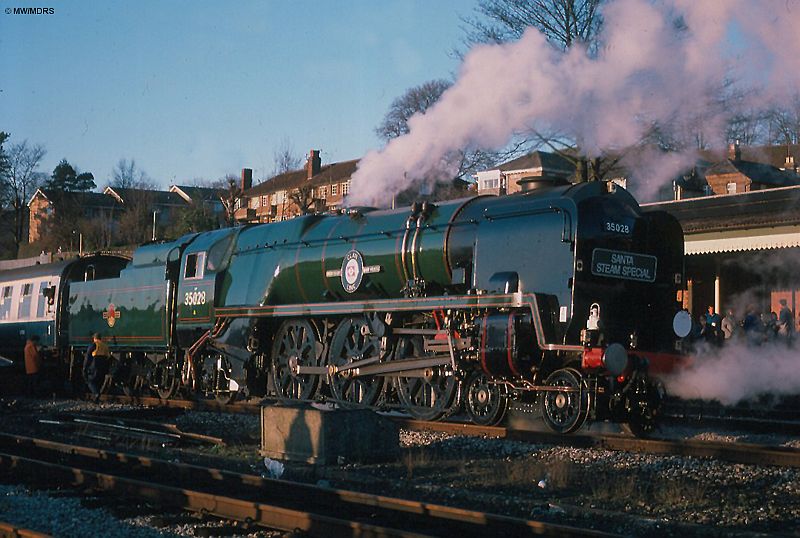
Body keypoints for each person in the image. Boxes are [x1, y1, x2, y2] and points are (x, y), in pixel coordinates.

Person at [83, 333, 110, 402]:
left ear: (94, 338)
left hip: (94, 365)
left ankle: (96, 394)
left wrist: (84, 368)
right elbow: (108, 357)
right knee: (99, 381)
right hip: (103, 365)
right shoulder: (105, 346)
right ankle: (96, 397)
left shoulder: (93, 345)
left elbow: (88, 357)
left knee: (90, 381)